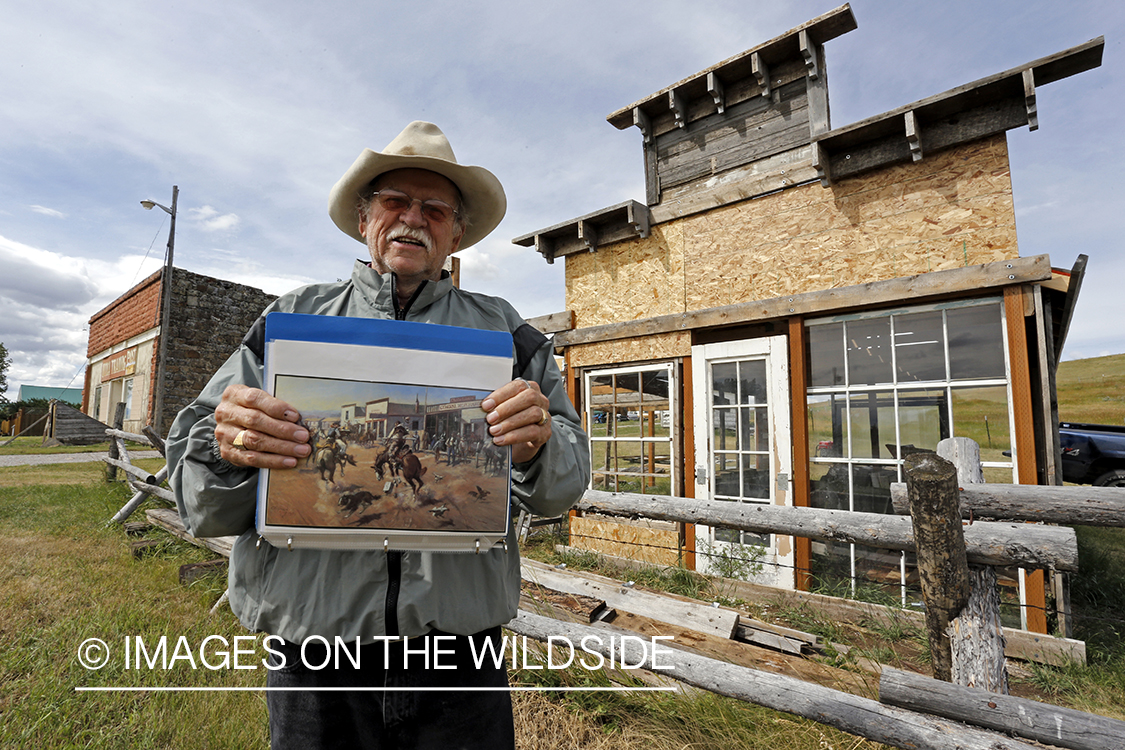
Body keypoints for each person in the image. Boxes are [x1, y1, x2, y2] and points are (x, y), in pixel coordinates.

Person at [165, 121, 590, 749]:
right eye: (395, 201)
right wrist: (228, 448)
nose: (412, 219)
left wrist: (540, 445)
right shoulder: (291, 322)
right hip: (314, 647)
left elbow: (566, 482)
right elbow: (197, 491)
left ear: (456, 231)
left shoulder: (509, 336)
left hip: (459, 654)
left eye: (434, 208)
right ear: (365, 219)